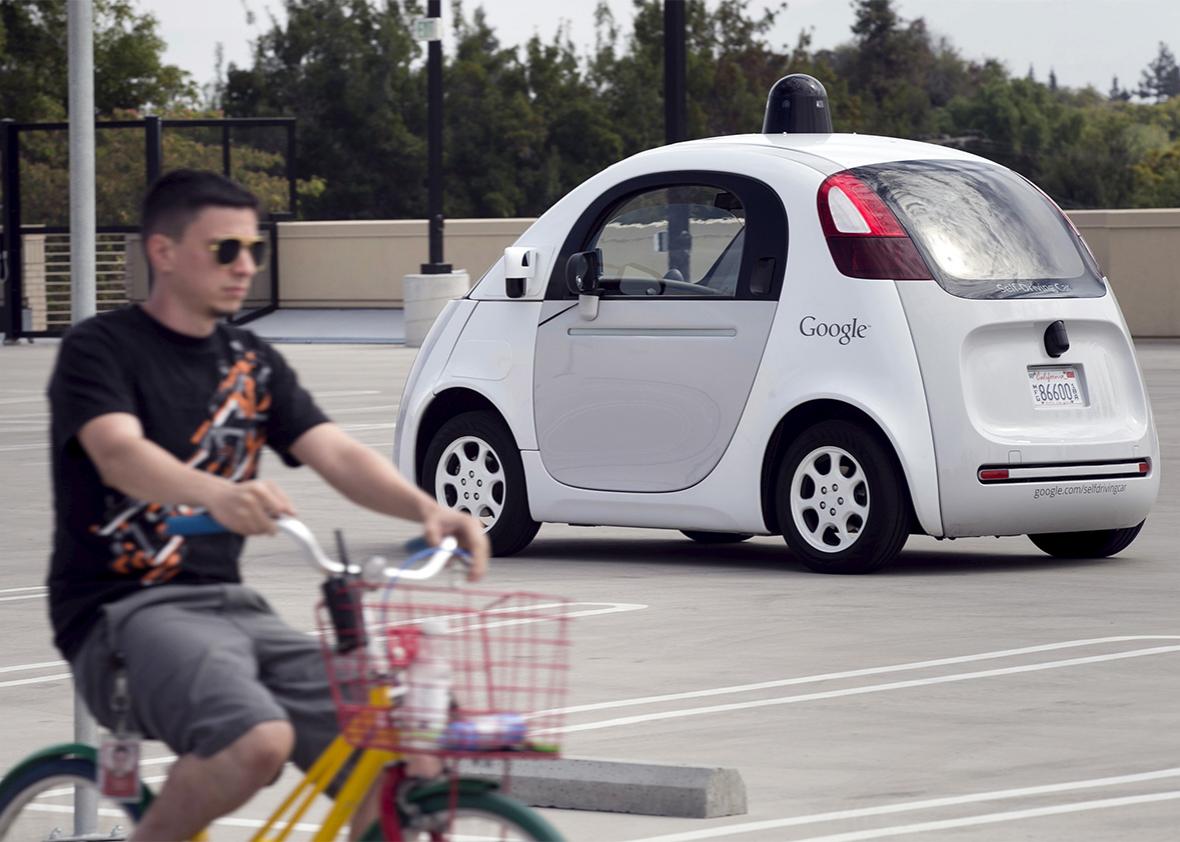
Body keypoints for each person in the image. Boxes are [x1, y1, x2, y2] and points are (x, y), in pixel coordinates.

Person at [47, 168, 489, 841]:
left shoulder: (249, 363)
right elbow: (118, 453)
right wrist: (217, 493)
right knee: (257, 742)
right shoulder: (99, 350)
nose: (246, 266)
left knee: (401, 743)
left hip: (231, 608)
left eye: (255, 250)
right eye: (226, 249)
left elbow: (336, 452)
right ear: (163, 252)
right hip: (121, 612)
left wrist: (427, 510)